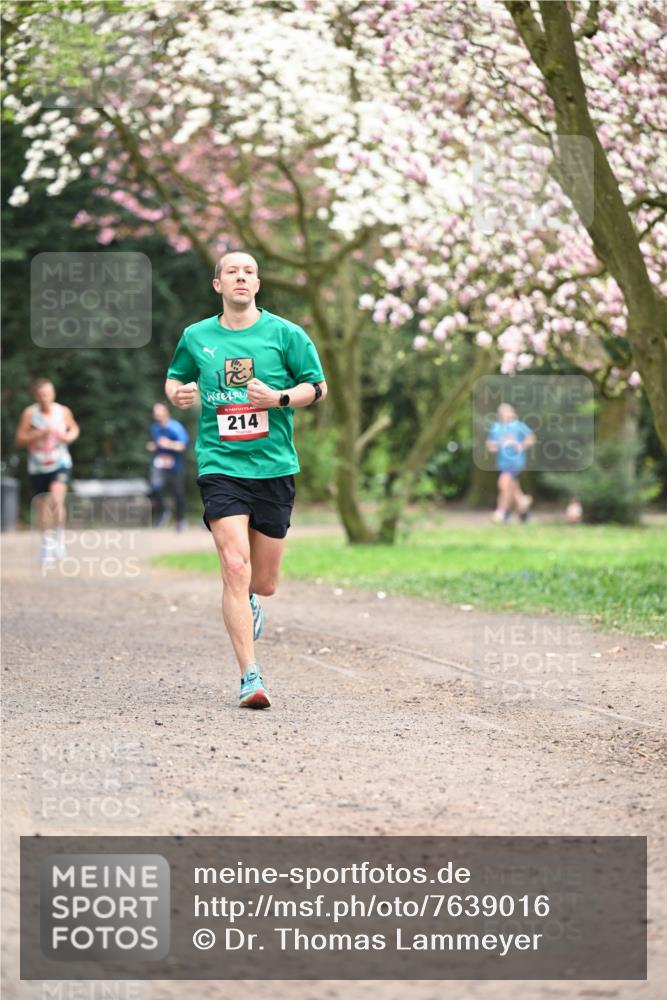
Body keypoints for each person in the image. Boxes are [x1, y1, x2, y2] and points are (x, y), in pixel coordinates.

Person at [164, 249, 327, 709]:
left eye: (249, 271)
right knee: (235, 566)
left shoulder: (286, 335)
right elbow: (175, 378)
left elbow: (316, 387)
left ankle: (253, 601)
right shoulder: (197, 336)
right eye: (231, 271)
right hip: (220, 465)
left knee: (264, 581)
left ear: (257, 284)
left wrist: (276, 398)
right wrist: (177, 394)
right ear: (218, 285)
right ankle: (249, 677)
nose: (241, 277)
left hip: (274, 466)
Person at [15, 378, 79, 564]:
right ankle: (47, 545)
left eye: (48, 394)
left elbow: (74, 428)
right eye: (42, 395)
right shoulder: (30, 414)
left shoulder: (62, 411)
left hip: (60, 463)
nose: (45, 398)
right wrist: (38, 434)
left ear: (53, 394)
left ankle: (60, 539)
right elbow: (20, 438)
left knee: (57, 499)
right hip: (37, 466)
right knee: (42, 506)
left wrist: (68, 437)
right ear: (36, 396)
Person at [486, 403, 536, 523]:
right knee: (512, 488)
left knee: (503, 483)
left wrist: (521, 445)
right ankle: (523, 508)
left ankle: (501, 512)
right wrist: (494, 446)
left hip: (516, 462)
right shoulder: (496, 427)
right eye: (502, 412)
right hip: (503, 462)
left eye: (507, 412)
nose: (504, 415)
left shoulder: (518, 426)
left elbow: (531, 438)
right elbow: (490, 444)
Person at [147, 402, 190, 531]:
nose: (156, 414)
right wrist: (153, 447)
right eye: (155, 412)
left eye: (159, 411)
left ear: (166, 412)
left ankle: (180, 521)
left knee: (177, 494)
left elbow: (182, 446)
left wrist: (169, 444)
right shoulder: (154, 427)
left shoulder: (175, 427)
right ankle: (163, 513)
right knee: (154, 489)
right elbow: (158, 444)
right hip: (160, 465)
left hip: (174, 466)